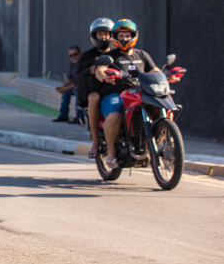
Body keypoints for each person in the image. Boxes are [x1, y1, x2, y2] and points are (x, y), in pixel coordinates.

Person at [95, 19, 173, 170]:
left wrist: (165, 76)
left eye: (127, 35)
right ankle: (111, 153)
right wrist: (105, 76)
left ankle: (155, 144)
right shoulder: (110, 56)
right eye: (120, 36)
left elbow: (154, 71)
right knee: (114, 115)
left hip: (139, 93)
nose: (124, 39)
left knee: (162, 106)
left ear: (134, 36)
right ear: (115, 37)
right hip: (115, 94)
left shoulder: (142, 55)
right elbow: (100, 70)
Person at [78, 17, 114, 158]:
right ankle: (95, 141)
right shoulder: (87, 56)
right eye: (100, 34)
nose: (104, 37)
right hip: (95, 89)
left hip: (115, 89)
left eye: (106, 33)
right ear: (94, 36)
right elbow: (78, 75)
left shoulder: (117, 53)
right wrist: (91, 69)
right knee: (94, 98)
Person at [53, 46, 82, 123]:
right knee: (66, 93)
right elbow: (70, 79)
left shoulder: (83, 64)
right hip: (75, 86)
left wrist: (66, 88)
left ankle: (79, 117)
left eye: (75, 54)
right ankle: (63, 115)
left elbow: (78, 82)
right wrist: (63, 86)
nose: (73, 57)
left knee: (77, 91)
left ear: (80, 54)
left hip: (83, 88)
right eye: (71, 56)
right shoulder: (72, 65)